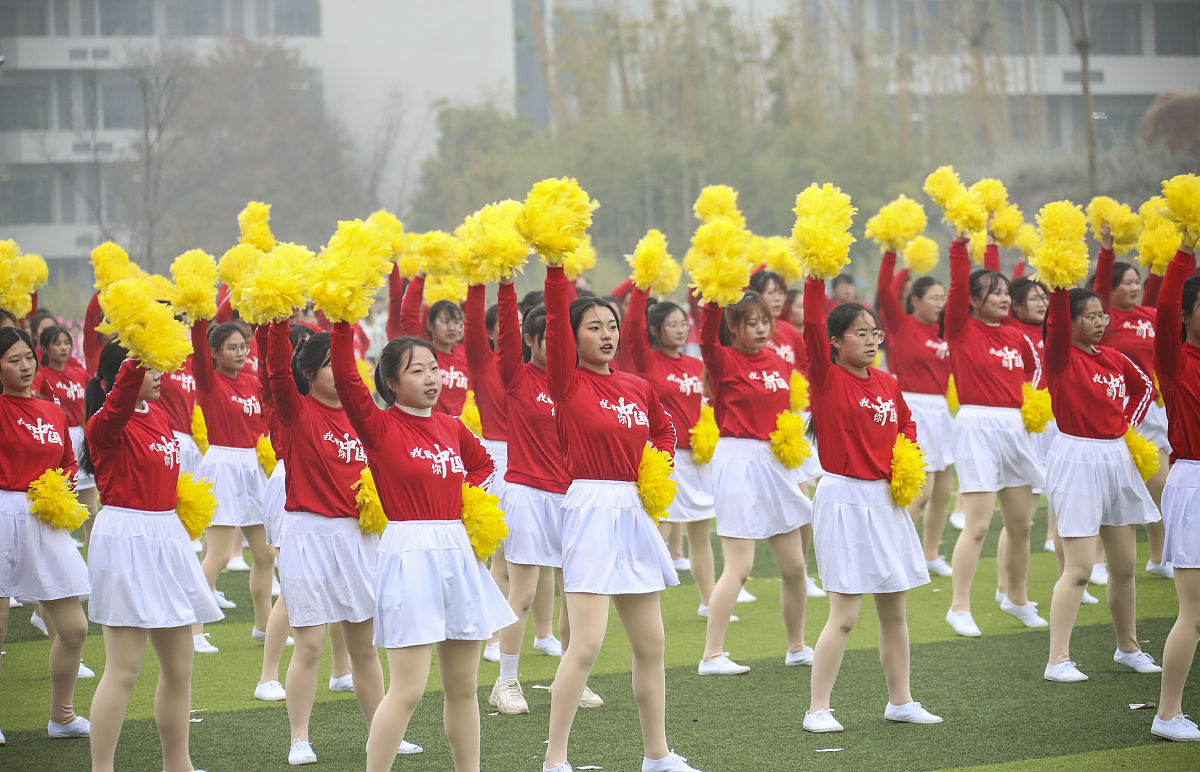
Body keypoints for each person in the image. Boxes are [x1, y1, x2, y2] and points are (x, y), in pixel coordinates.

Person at [330, 322, 513, 772]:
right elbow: (347, 379)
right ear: (391, 382)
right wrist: (340, 320)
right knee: (408, 689)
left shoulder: (452, 426)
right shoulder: (378, 426)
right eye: (417, 371)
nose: (432, 378)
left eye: (434, 368)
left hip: (456, 549)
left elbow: (484, 463)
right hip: (409, 551)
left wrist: (466, 500)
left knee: (463, 687)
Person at [541, 265, 698, 772]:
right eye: (593, 327)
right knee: (585, 644)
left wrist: (659, 469)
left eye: (611, 326)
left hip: (632, 509)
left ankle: (658, 755)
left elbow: (665, 432)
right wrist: (556, 267)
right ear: (571, 337)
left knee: (652, 642)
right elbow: (557, 330)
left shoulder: (638, 386)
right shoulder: (565, 381)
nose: (607, 334)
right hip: (588, 506)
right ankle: (555, 759)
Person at [264, 322, 421, 764]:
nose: (341, 370)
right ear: (310, 371)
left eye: (343, 361)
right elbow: (276, 372)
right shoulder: (295, 410)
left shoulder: (363, 416)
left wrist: (344, 318)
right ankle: (299, 738)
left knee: (364, 646)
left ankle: (381, 734)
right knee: (310, 643)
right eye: (331, 363)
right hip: (308, 534)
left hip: (357, 537)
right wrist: (275, 324)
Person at [800, 279, 939, 733]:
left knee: (894, 610)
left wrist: (907, 466)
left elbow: (907, 428)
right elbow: (808, 324)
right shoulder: (825, 377)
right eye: (859, 333)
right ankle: (817, 708)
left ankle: (901, 700)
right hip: (843, 497)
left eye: (874, 332)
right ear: (834, 342)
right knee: (844, 615)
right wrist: (816, 276)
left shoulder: (887, 382)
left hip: (884, 498)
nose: (870, 340)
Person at [82, 342, 222, 772]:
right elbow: (120, 400)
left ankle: (177, 764)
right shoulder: (104, 423)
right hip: (126, 538)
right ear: (121, 375)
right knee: (123, 669)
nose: (160, 371)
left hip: (166, 537)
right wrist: (136, 353)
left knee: (180, 666)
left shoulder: (159, 414)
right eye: (147, 366)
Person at [1040, 287, 1161, 683]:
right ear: (1069, 322)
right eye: (1088, 316)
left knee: (1124, 566)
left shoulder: (1113, 358)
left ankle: (1128, 647)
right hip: (1076, 458)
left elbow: (1144, 389)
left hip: (1116, 457)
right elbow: (1055, 322)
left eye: (1101, 315)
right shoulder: (1059, 356)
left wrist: (1122, 424)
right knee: (1077, 569)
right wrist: (1059, 283)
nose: (1098, 322)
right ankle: (1058, 659)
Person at [697, 291, 811, 676]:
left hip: (774, 461)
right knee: (740, 566)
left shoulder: (779, 361)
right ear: (733, 327)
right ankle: (712, 654)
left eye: (765, 320)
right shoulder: (722, 359)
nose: (761, 328)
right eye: (751, 322)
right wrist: (714, 293)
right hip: (737, 460)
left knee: (795, 566)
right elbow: (706, 337)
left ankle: (796, 646)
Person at [489, 280, 587, 716]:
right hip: (527, 492)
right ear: (529, 340)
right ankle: (506, 681)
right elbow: (504, 333)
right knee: (524, 593)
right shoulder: (516, 375)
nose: (555, 344)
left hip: (570, 496)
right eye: (546, 337)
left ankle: (571, 677)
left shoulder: (574, 381)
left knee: (576, 591)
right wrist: (506, 280)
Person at [943, 235, 1046, 637]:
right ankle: (960, 606)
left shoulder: (1017, 335)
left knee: (1022, 523)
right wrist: (961, 243)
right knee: (979, 524)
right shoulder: (961, 327)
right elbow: (956, 287)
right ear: (973, 300)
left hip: (1013, 426)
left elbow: (1035, 372)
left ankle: (1016, 598)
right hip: (976, 425)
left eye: (1007, 291)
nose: (1005, 298)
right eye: (994, 293)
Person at [0, 327, 91, 741]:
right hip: (4, 513)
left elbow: (68, 462)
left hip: (45, 517)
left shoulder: (52, 411)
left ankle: (62, 716)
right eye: (12, 359)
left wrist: (61, 486)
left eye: (27, 359)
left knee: (74, 628)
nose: (23, 366)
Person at [464, 284, 562, 664]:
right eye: (515, 326)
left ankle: (545, 633)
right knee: (503, 560)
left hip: (539, 464)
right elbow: (478, 325)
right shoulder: (491, 364)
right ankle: (493, 637)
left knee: (545, 560)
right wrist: (483, 279)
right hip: (500, 461)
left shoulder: (550, 377)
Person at [623, 287, 716, 616]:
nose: (680, 329)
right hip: (663, 457)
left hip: (697, 458)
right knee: (657, 533)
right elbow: (632, 326)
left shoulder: (695, 363)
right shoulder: (646, 359)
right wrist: (642, 286)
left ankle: (710, 601)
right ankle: (642, 600)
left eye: (683, 323)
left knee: (701, 535)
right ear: (656, 329)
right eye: (672, 324)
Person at [1094, 231, 1172, 579]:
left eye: (1138, 281)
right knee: (1109, 490)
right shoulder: (1104, 316)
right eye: (1127, 282)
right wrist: (1107, 249)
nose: (1135, 287)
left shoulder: (1148, 314)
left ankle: (1159, 558)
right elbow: (1096, 286)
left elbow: (1162, 288)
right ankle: (1095, 560)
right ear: (1111, 288)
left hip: (1154, 406)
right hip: (1119, 408)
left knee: (1163, 488)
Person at [191, 319, 270, 652]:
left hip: (252, 465)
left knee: (265, 553)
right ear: (214, 352)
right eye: (232, 348)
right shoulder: (209, 381)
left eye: (244, 346)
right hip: (222, 464)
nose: (240, 352)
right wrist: (197, 315)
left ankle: (265, 627)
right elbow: (197, 342)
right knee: (219, 554)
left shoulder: (252, 382)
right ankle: (193, 630)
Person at [876, 252, 954, 576]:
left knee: (943, 491)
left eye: (942, 297)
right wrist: (897, 257)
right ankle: (893, 552)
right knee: (920, 490)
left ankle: (930, 553)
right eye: (933, 297)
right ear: (915, 300)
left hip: (940, 410)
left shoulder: (944, 330)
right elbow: (884, 291)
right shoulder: (901, 324)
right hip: (914, 407)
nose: (939, 303)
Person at [1152, 239, 1200, 741]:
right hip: (1193, 483)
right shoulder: (1175, 359)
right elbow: (1163, 308)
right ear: (1187, 316)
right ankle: (1167, 714)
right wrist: (1184, 252)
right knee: (1194, 610)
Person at [33, 326, 98, 541]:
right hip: (58, 439)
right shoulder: (41, 376)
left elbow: (95, 397)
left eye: (66, 343)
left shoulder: (80, 374)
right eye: (57, 343)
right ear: (44, 348)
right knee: (62, 506)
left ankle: (94, 555)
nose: (63, 348)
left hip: (82, 439)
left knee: (91, 511)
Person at [398, 274, 470, 416]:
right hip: (429, 430)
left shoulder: (466, 355)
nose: (452, 328)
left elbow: (474, 319)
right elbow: (408, 313)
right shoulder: (421, 353)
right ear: (430, 325)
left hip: (460, 431)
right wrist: (421, 274)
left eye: (456, 322)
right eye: (445, 321)